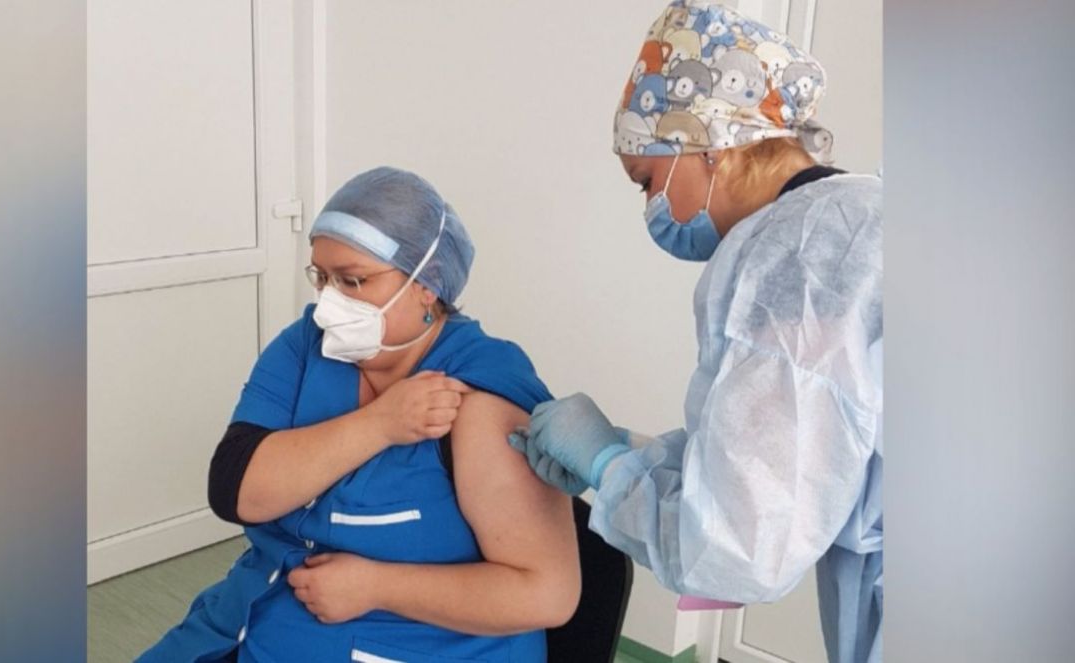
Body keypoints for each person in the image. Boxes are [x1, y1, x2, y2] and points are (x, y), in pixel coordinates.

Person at [507, 2, 882, 662]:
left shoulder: (794, 264)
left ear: (710, 145)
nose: (650, 207)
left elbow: (739, 547)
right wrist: (628, 451)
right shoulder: (855, 221)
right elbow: (792, 444)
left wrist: (607, 466)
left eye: (647, 182)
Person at [139, 167, 580, 662]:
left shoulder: (482, 395)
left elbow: (546, 594)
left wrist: (377, 586)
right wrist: (380, 424)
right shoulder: (306, 345)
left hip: (418, 645)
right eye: (321, 278)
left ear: (427, 284)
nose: (330, 303)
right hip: (257, 615)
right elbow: (235, 491)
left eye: (352, 280)